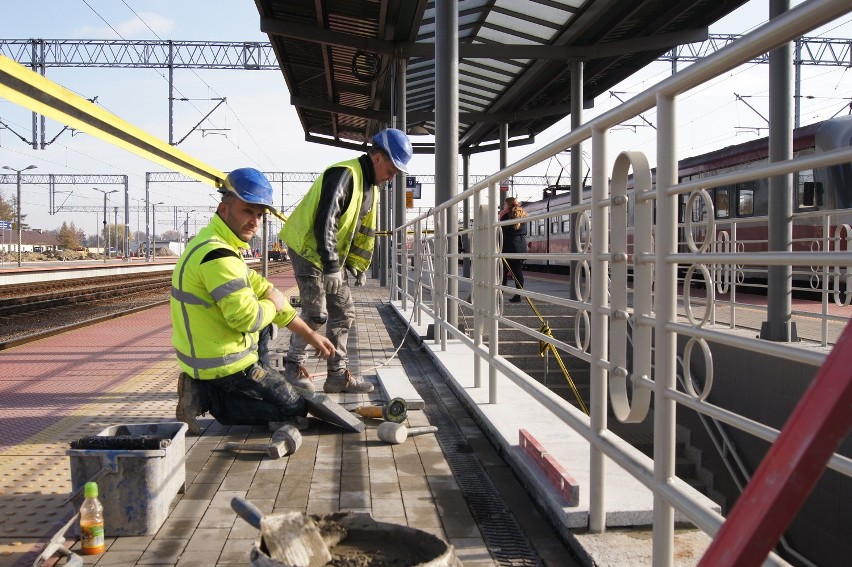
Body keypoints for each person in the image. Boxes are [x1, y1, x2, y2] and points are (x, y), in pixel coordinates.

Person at [172, 167, 335, 435]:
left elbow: (267, 291)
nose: (255, 221)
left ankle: (214, 388)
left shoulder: (215, 244)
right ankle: (206, 397)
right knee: (293, 409)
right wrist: (273, 303)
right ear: (224, 208)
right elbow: (247, 318)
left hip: (209, 354)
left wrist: (310, 335)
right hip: (224, 364)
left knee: (268, 319)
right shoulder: (219, 257)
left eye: (259, 215)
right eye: (248, 211)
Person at [279, 128, 413, 394]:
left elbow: (359, 230)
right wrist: (331, 266)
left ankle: (337, 376)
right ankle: (293, 367)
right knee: (317, 313)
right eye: (392, 168)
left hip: (331, 258)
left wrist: (354, 265)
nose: (393, 176)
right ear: (377, 158)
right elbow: (326, 220)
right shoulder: (344, 174)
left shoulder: (370, 188)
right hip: (307, 249)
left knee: (343, 312)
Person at [499, 196, 528, 303]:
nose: (503, 206)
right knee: (517, 272)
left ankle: (499, 295)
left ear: (508, 204)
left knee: (502, 272)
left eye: (504, 204)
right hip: (520, 246)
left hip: (508, 246)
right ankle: (518, 295)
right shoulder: (523, 214)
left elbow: (502, 233)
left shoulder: (505, 215)